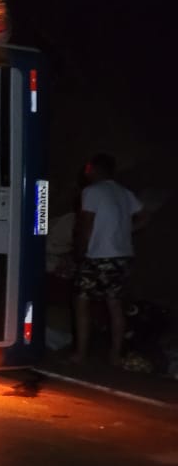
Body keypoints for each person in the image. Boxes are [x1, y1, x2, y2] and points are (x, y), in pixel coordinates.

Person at [71, 153, 144, 366]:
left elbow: (86, 223)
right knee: (115, 304)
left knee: (81, 301)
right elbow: (145, 215)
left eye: (88, 169)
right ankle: (115, 355)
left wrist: (79, 250)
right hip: (122, 256)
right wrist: (126, 231)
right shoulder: (124, 192)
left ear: (94, 169)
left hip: (98, 256)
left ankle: (80, 354)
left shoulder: (91, 191)